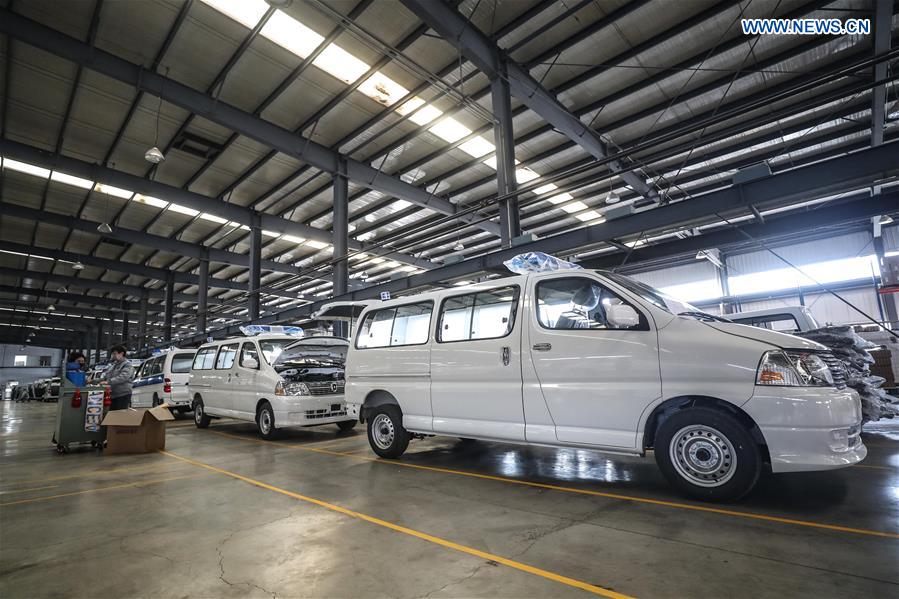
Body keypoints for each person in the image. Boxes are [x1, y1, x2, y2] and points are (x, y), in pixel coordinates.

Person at [102, 345, 134, 411]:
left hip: (123, 395)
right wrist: (92, 381)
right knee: (112, 415)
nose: (113, 355)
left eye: (114, 353)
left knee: (120, 415)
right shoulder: (113, 365)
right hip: (113, 395)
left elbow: (123, 377)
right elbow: (106, 377)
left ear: (121, 353)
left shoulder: (127, 365)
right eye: (112, 354)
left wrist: (108, 382)